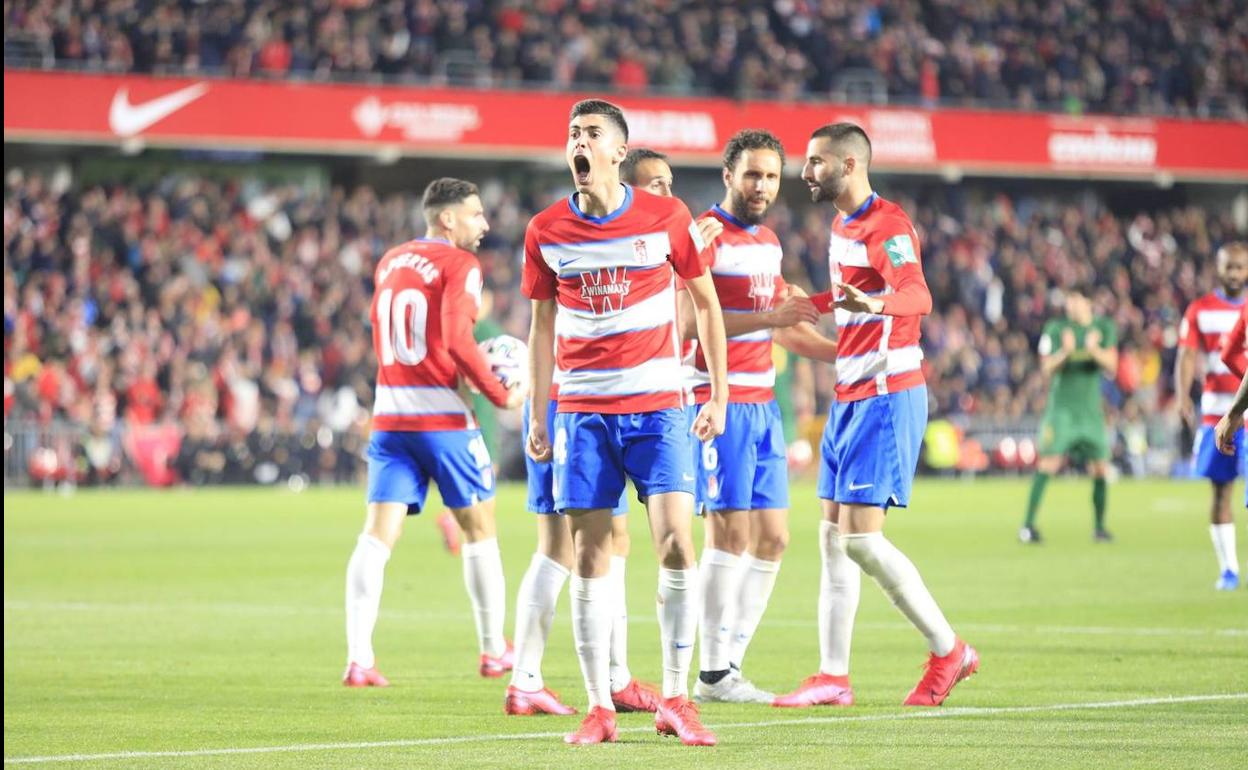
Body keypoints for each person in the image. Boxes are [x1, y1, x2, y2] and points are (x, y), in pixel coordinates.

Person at [523, 99, 728, 745]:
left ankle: (675, 696)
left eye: (590, 135)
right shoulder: (545, 230)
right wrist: (538, 411)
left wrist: (716, 394)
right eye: (571, 135)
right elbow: (539, 326)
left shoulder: (666, 217)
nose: (577, 144)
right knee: (589, 555)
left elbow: (706, 304)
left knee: (676, 542)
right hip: (582, 412)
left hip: (659, 406)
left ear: (617, 152)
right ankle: (599, 708)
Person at [772, 123, 978, 709]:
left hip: (888, 393)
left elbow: (918, 295)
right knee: (833, 538)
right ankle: (832, 676)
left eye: (815, 162)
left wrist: (877, 302)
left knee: (860, 541)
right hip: (851, 392)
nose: (806, 171)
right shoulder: (842, 225)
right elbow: (849, 296)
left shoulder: (888, 225)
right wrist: (807, 304)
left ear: (848, 163)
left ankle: (949, 649)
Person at [670, 129, 835, 705]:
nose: (761, 185)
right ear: (728, 176)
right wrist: (768, 318)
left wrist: (848, 352)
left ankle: (728, 664)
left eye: (770, 175)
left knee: (774, 538)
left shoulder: (767, 242)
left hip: (764, 404)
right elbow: (690, 325)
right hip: (720, 402)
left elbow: (784, 323)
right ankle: (712, 673)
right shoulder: (707, 236)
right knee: (729, 534)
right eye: (751, 174)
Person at [343, 178, 526, 688]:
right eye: (475, 215)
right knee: (480, 529)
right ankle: (494, 651)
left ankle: (359, 657)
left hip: (391, 416)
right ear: (447, 219)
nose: (485, 225)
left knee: (377, 536)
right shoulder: (460, 265)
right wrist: (499, 393)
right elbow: (456, 338)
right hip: (443, 419)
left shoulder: (391, 261)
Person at [1018, 284, 1120, 544]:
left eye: (1075, 300)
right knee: (1048, 464)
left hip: (1090, 412)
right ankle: (1028, 526)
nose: (1070, 306)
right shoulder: (1055, 329)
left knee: (1100, 468)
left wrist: (1093, 349)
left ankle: (1099, 527)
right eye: (1068, 302)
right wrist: (1065, 351)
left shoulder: (1104, 328)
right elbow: (1046, 368)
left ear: (1088, 302)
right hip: (1061, 411)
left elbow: (1112, 365)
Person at [1179, 242, 1248, 589]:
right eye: (1228, 267)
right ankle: (1230, 570)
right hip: (1215, 416)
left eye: (1239, 267)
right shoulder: (1200, 310)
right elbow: (1188, 355)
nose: (1234, 273)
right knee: (1221, 493)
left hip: (1242, 417)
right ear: (1218, 268)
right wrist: (1182, 396)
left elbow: (1231, 355)